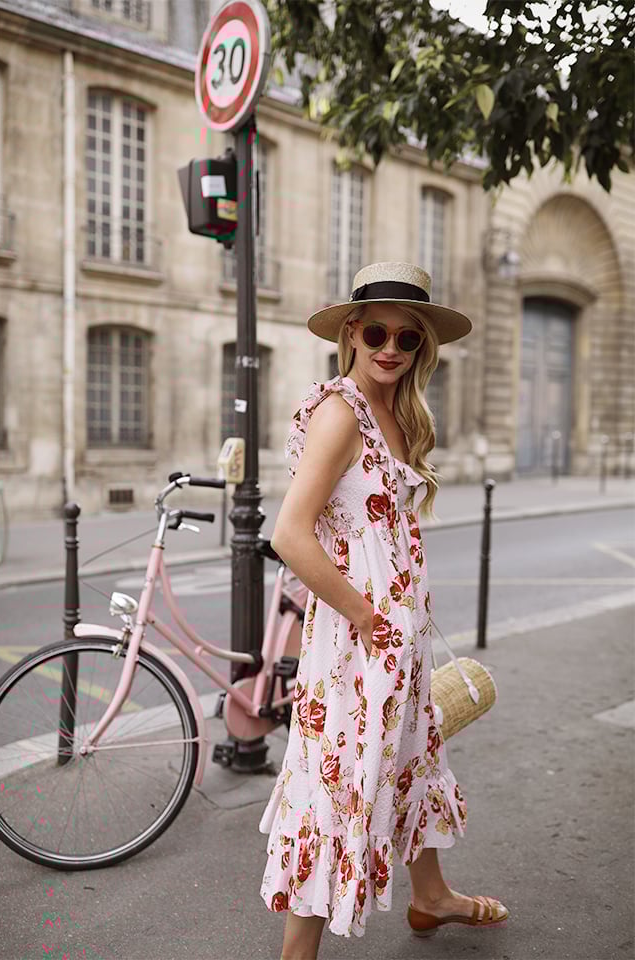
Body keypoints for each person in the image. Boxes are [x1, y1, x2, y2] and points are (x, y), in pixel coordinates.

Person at [258, 262, 509, 959]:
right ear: (351, 333)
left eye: (407, 336)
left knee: (408, 765)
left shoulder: (396, 414)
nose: (390, 347)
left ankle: (430, 898)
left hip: (394, 642)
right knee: (338, 785)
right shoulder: (341, 412)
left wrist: (397, 623)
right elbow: (289, 534)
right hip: (356, 645)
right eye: (376, 331)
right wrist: (368, 620)